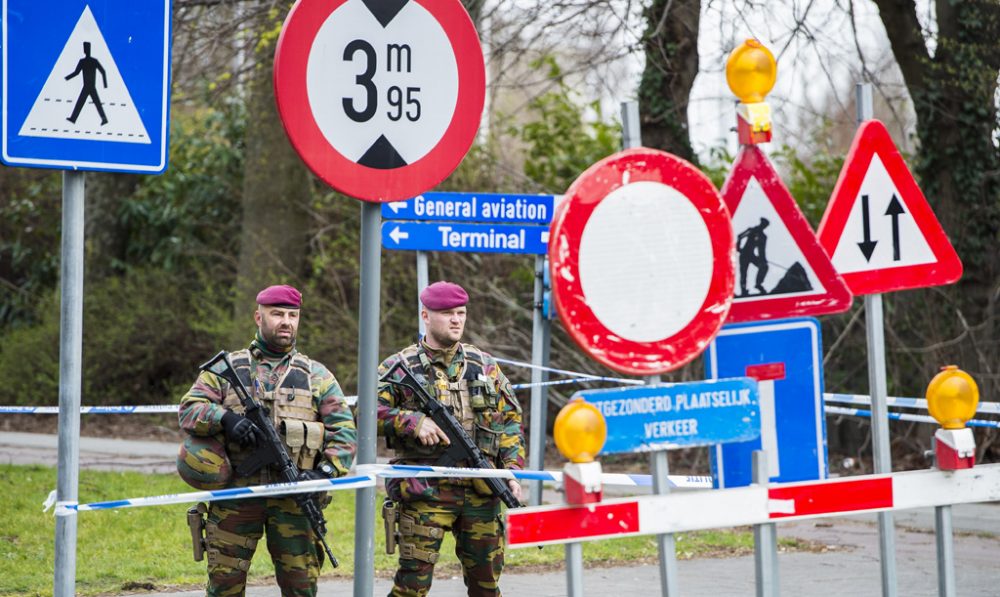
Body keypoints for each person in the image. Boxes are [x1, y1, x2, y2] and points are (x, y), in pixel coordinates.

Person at [177, 284, 357, 597]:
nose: (286, 321)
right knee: (223, 588)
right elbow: (189, 409)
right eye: (277, 314)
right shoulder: (228, 369)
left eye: (292, 315)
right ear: (258, 317)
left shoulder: (317, 376)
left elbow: (345, 432)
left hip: (294, 500)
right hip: (236, 494)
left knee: (301, 588)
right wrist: (226, 419)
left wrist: (323, 473)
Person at [377, 281, 526, 597]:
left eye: (461, 313)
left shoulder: (483, 364)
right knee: (411, 586)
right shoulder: (399, 366)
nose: (456, 320)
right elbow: (367, 412)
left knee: (487, 585)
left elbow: (511, 420)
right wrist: (411, 421)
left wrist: (511, 469)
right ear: (425, 316)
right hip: (425, 490)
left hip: (481, 490)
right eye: (447, 313)